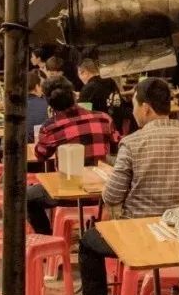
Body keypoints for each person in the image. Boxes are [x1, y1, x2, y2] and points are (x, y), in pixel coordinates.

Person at [79, 78, 179, 295]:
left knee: (88, 241)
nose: (133, 112)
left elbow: (112, 196)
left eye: (134, 105)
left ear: (145, 108)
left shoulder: (132, 143)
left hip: (138, 237)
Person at [26, 77, 120, 234]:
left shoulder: (51, 126)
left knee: (27, 197)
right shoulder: (104, 118)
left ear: (49, 103)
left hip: (67, 193)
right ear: (74, 96)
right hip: (102, 192)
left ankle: (47, 236)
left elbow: (41, 155)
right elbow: (117, 144)